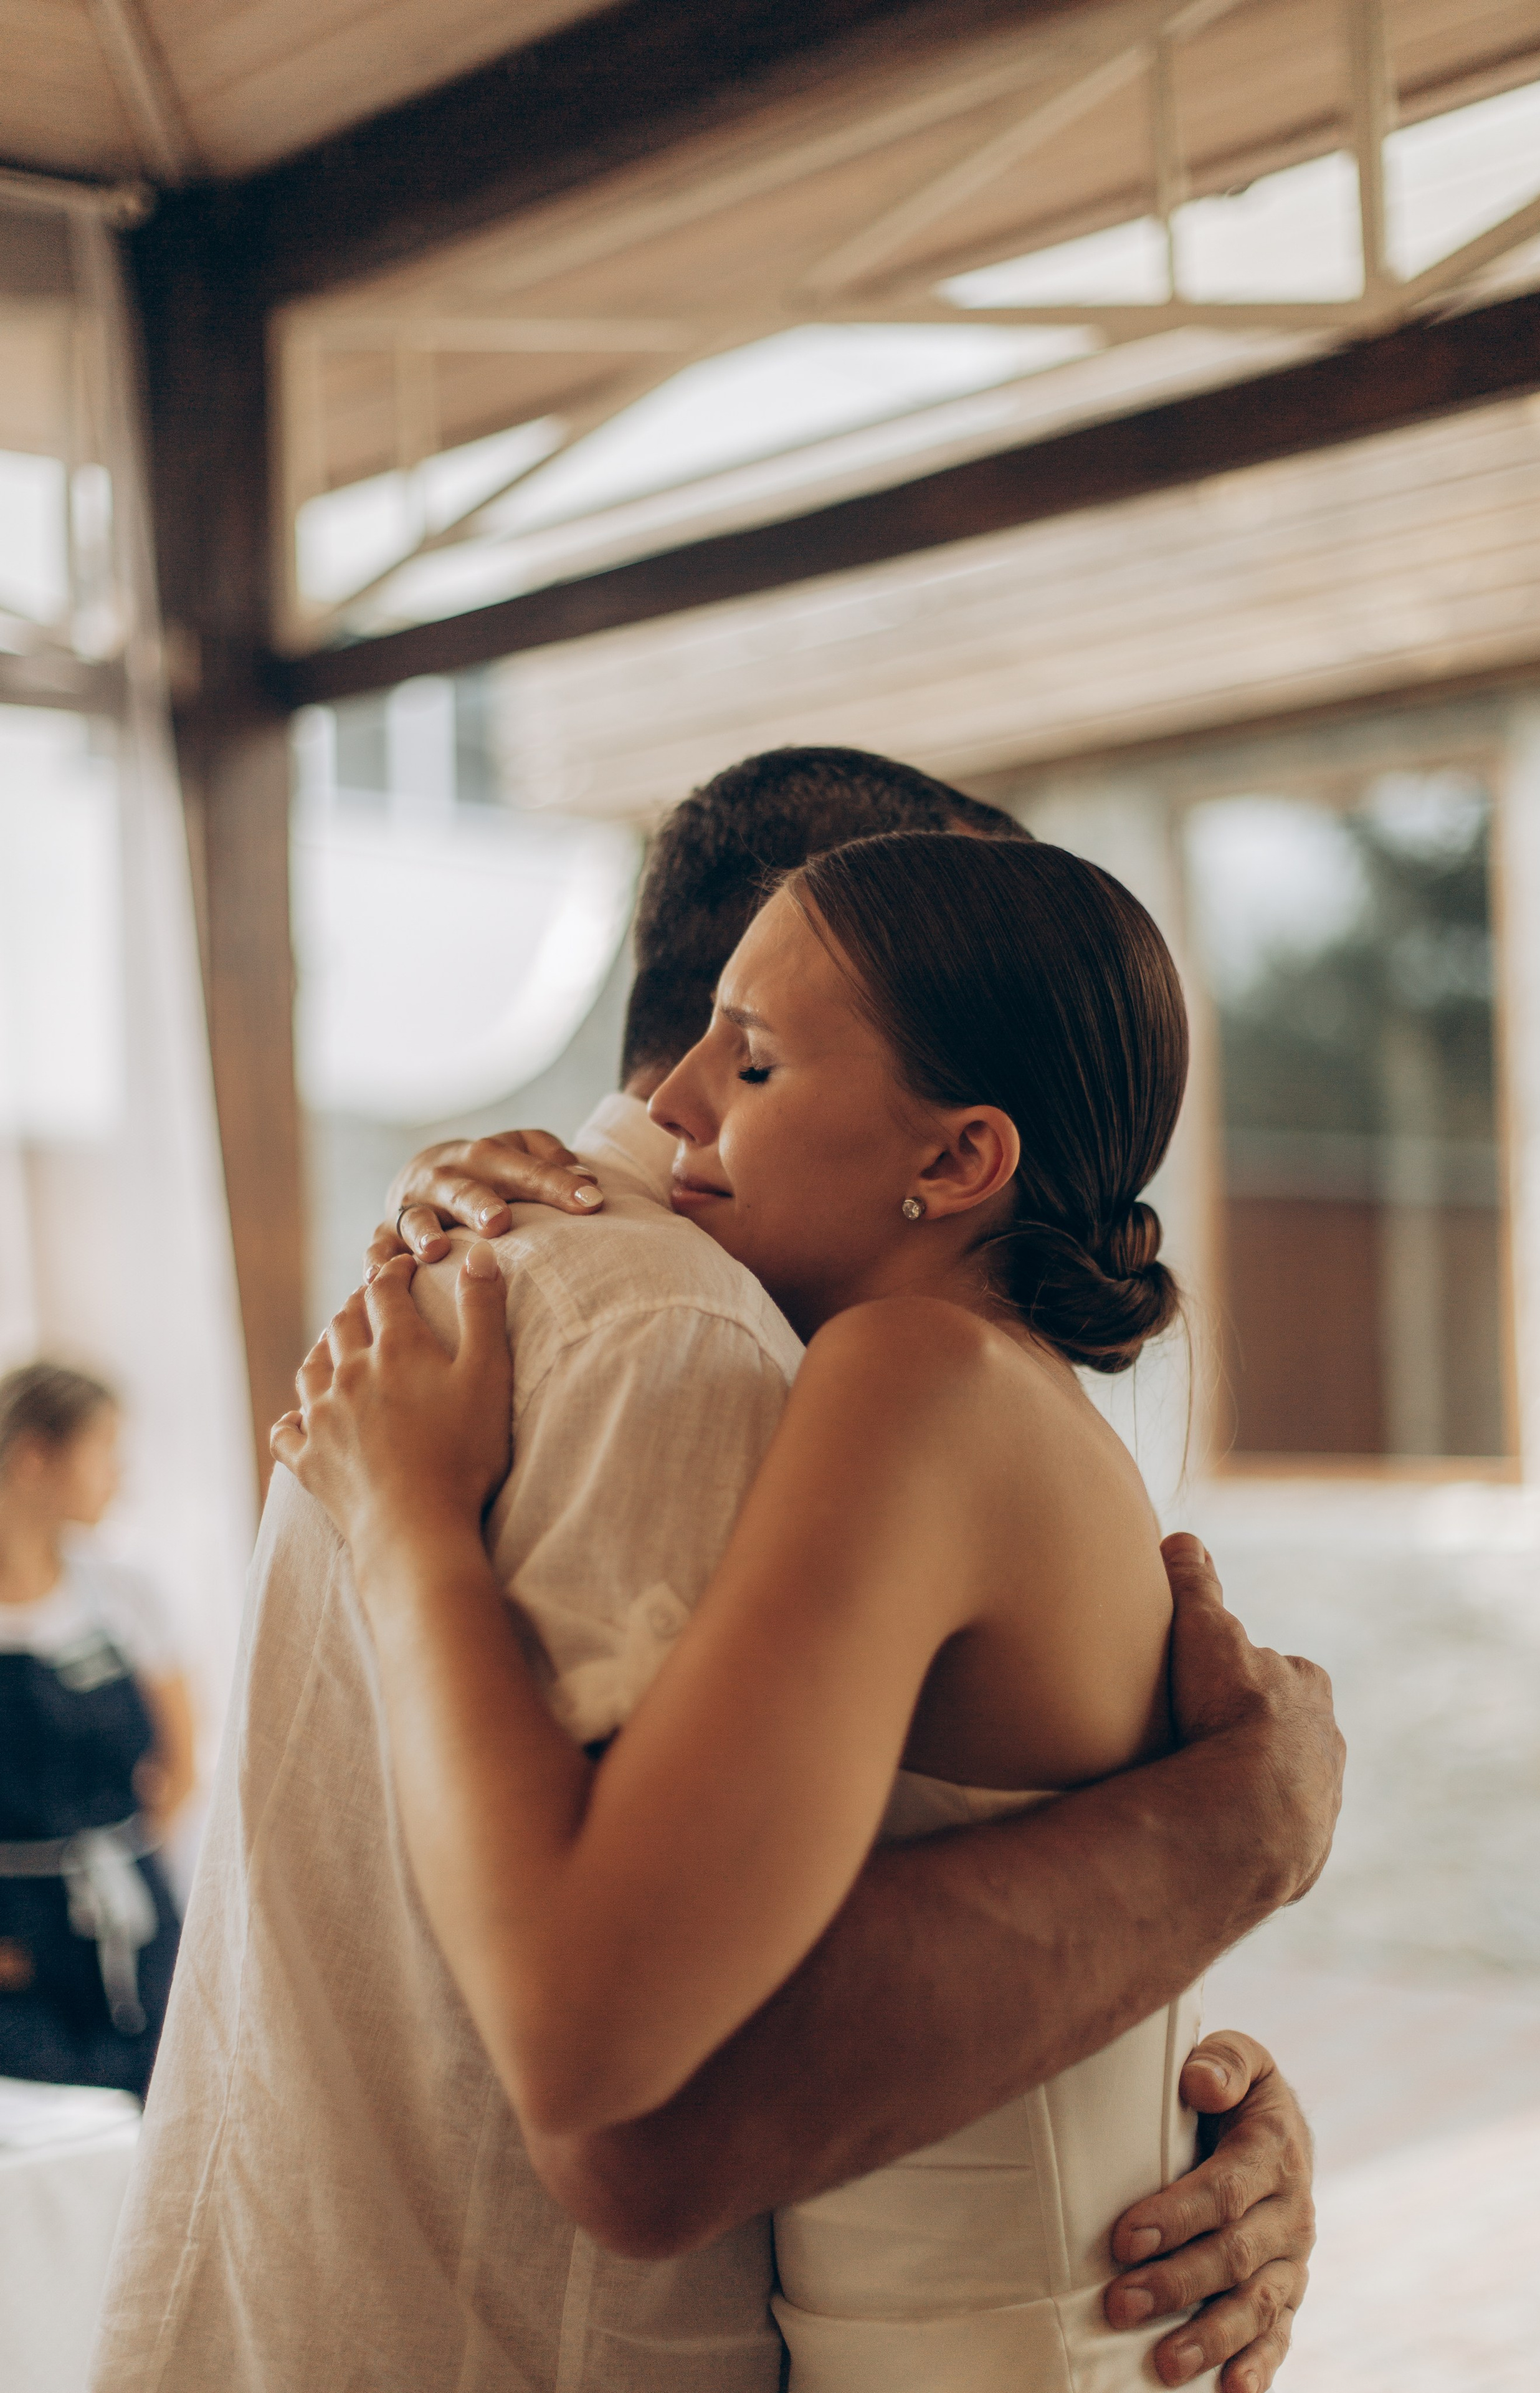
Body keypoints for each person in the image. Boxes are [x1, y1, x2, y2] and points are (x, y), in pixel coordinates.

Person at [94, 752, 1338, 2393]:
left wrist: (1174, 2054)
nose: (695, 1099)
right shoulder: (674, 1324)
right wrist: (1239, 1838)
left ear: (963, 1151)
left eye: (756, 1061)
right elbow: (643, 2118)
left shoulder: (732, 1336)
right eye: (727, 1048)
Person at [0, 1362, 193, 2098]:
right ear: (35, 1458)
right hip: (15, 1947)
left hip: (137, 1920)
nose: (122, 1475)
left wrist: (132, 1870)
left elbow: (180, 1763)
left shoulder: (125, 1592)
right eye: (105, 1449)